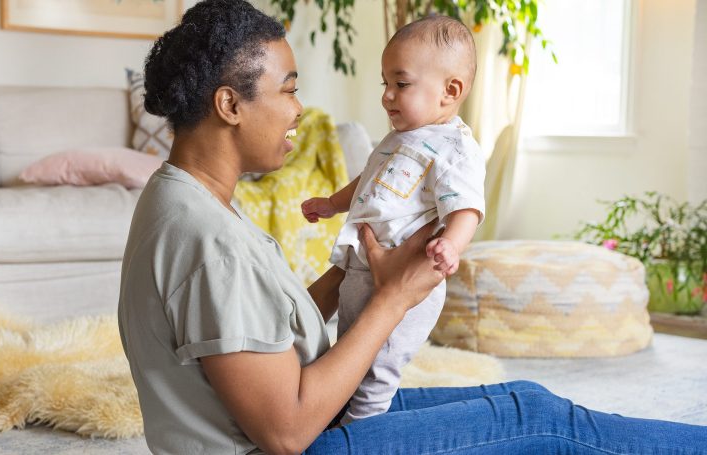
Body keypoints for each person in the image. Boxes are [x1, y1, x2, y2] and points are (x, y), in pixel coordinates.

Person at [117, 1, 707, 454]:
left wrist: (362, 273)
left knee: (525, 398)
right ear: (229, 105)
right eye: (289, 88)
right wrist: (394, 298)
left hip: (305, 421)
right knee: (538, 423)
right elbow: (287, 431)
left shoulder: (190, 200)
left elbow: (264, 321)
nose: (299, 108)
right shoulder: (206, 242)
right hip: (297, 440)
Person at [301, 16, 484, 424]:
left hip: (407, 283)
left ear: (450, 91)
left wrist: (451, 245)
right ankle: (335, 416)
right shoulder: (396, 139)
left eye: (400, 84)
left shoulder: (454, 148)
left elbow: (466, 208)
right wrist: (332, 204)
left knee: (377, 370)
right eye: (384, 84)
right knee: (347, 352)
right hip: (361, 272)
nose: (386, 96)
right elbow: (368, 181)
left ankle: (364, 431)